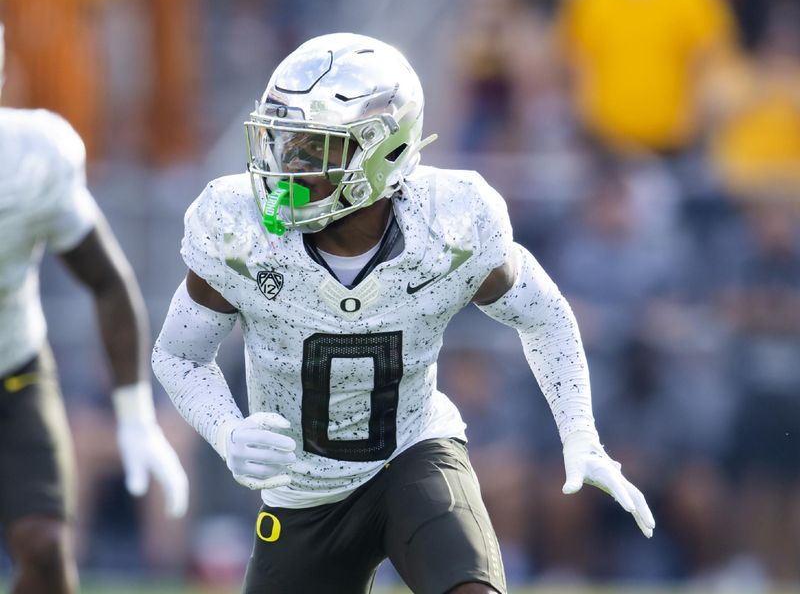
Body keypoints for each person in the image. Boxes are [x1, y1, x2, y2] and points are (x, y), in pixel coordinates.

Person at [152, 33, 654, 594]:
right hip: (303, 493)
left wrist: (580, 433)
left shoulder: (452, 223)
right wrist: (226, 432)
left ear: (379, 153)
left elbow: (544, 315)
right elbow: (179, 354)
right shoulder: (237, 226)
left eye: (313, 147)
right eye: (282, 140)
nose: (284, 164)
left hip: (412, 454)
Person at [0, 25, 188, 594]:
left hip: (13, 371)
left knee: (45, 542)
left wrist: (134, 417)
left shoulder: (32, 158)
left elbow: (108, 282)